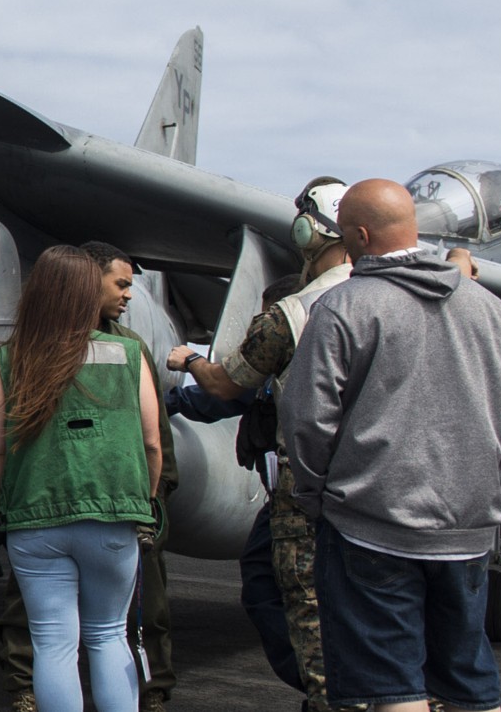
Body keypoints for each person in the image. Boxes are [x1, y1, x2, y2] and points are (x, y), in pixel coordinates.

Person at [280, 179, 501, 712]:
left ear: (361, 236)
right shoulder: (490, 309)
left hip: (371, 526)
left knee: (392, 688)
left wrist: (319, 497)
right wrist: (486, 493)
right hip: (468, 528)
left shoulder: (343, 307)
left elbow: (306, 420)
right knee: (468, 681)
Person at [166, 177, 353, 712]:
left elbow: (226, 387)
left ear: (308, 230)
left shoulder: (295, 312)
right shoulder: (416, 300)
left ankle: (330, 696)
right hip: (399, 488)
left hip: (312, 490)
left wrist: (190, 364)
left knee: (307, 606)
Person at [0, 241, 179, 712]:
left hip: (34, 521)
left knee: (54, 645)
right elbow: (153, 442)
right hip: (115, 519)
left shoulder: (11, 358)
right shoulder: (128, 353)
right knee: (108, 635)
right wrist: (148, 501)